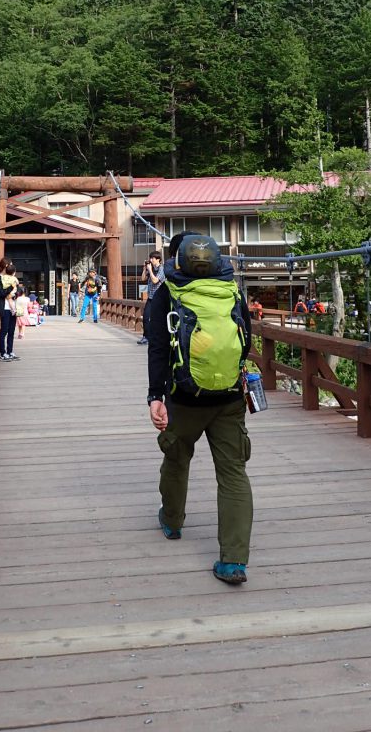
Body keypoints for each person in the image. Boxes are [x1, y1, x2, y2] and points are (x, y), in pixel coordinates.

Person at [147, 232, 253, 586]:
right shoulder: (232, 290)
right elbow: (247, 341)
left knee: (177, 459)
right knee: (234, 475)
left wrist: (155, 396)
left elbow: (159, 349)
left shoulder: (167, 293)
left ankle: (173, 521)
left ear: (178, 262)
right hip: (229, 397)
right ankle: (234, 561)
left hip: (184, 397)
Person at [0, 257, 19, 360]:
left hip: (12, 307)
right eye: (10, 265)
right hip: (4, 308)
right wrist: (11, 287)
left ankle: (10, 351)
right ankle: (3, 353)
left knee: (11, 331)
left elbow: (16, 291)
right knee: (4, 331)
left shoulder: (11, 278)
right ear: (6, 266)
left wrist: (15, 292)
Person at [138, 250, 164, 345]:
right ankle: (146, 337)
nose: (151, 260)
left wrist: (150, 270)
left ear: (158, 259)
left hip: (159, 298)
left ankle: (158, 337)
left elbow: (155, 280)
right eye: (150, 258)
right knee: (145, 317)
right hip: (151, 297)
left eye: (153, 258)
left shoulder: (162, 269)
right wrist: (145, 268)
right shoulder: (151, 268)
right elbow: (143, 278)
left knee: (158, 319)